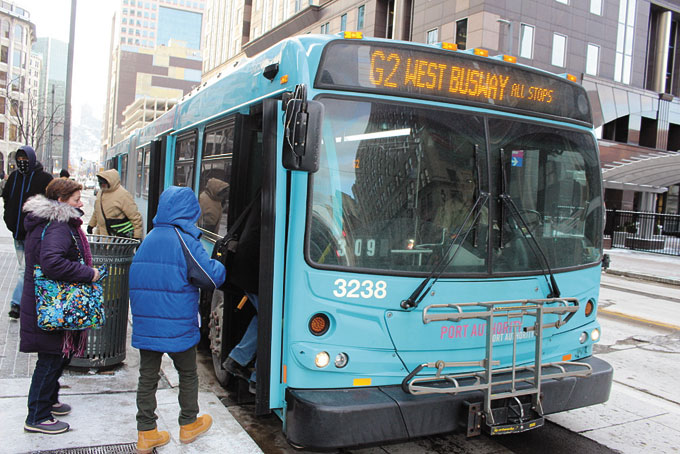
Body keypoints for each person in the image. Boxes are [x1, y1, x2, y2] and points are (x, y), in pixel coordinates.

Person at [129, 186, 226, 453]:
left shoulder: (149, 238)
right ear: (189, 211)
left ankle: (146, 432)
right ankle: (188, 423)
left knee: (147, 376)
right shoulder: (185, 239)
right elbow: (209, 277)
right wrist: (220, 262)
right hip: (177, 323)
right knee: (187, 373)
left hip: (148, 323)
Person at [20, 178, 101, 434]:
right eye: (77, 199)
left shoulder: (52, 222)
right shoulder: (58, 226)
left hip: (46, 302)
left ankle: (49, 402)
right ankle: (37, 416)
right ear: (61, 201)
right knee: (51, 358)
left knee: (57, 355)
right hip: (52, 304)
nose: (81, 203)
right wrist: (89, 274)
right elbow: (52, 263)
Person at [2, 146, 53, 319]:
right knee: (25, 269)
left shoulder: (44, 178)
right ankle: (29, 302)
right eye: (19, 160)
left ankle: (16, 304)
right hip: (17, 234)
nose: (22, 163)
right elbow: (6, 198)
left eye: (25, 159)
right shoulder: (14, 177)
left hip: (34, 234)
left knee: (25, 269)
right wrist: (8, 217)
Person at [87, 169, 143, 239]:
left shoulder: (123, 195)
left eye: (103, 183)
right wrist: (91, 225)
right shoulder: (101, 193)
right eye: (100, 183)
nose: (101, 185)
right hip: (101, 236)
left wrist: (137, 236)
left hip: (117, 238)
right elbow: (97, 211)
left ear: (110, 182)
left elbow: (135, 217)